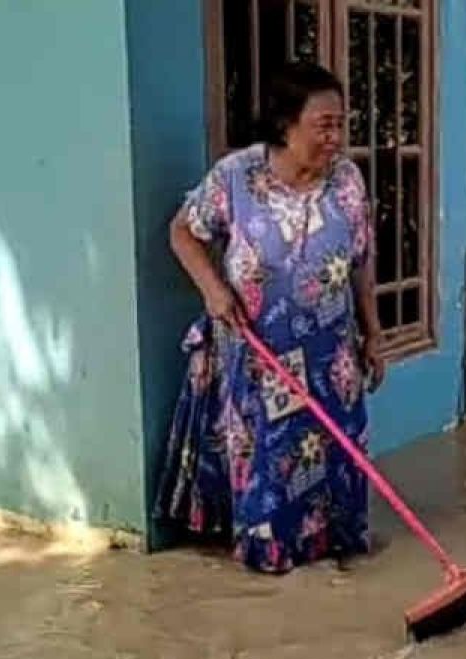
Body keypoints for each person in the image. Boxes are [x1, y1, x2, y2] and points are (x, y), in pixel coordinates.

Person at [154, 63, 386, 574]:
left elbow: (362, 259)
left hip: (332, 357)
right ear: (286, 124)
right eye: (323, 125)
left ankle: (335, 556)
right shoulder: (236, 178)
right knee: (270, 463)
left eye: (340, 124)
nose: (335, 137)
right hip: (260, 358)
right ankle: (274, 561)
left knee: (337, 460)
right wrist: (214, 290)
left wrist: (373, 334)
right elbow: (181, 232)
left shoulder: (347, 180)